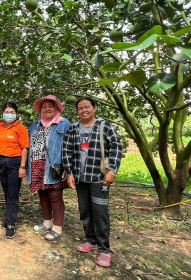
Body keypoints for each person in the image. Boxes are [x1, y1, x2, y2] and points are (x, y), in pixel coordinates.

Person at [62, 96, 122, 267]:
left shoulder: (104, 126)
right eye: (80, 108)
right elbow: (67, 151)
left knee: (100, 213)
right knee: (85, 211)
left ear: (94, 108)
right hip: (80, 179)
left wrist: (112, 171)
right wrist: (70, 173)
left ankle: (104, 249)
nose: (84, 110)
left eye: (87, 107)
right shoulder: (73, 129)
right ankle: (91, 241)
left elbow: (116, 147)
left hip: (99, 179)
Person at [27, 95, 71, 242]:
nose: (47, 109)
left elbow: (70, 147)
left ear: (57, 108)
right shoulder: (35, 124)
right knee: (43, 194)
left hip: (54, 165)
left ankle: (57, 227)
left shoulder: (64, 124)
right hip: (37, 164)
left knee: (55, 196)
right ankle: (47, 223)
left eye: (50, 106)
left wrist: (67, 167)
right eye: (44, 106)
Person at [0, 102, 29, 239]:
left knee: (13, 194)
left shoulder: (20, 128)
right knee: (7, 192)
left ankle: (11, 224)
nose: (9, 114)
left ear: (16, 114)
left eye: (12, 112)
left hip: (15, 163)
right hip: (1, 161)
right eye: (7, 111)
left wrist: (22, 167)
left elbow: (25, 148)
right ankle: (10, 218)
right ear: (3, 113)